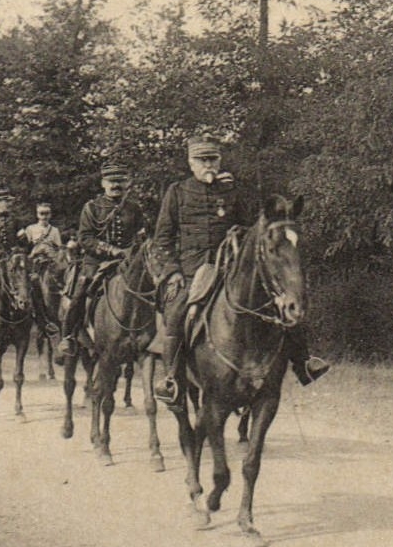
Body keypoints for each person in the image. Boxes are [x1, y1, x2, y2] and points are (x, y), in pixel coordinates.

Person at [151, 135, 328, 405]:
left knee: (281, 303)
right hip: (193, 270)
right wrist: (173, 270)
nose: (208, 164)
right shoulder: (177, 192)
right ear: (190, 163)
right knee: (177, 312)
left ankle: (304, 363)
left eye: (213, 159)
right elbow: (162, 239)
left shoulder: (233, 192)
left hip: (233, 267)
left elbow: (255, 230)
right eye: (202, 160)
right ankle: (172, 379)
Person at [56, 161, 146, 361]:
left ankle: (150, 336)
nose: (116, 186)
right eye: (111, 181)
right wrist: (112, 250)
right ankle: (68, 336)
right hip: (95, 261)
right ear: (103, 183)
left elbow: (140, 236)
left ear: (128, 183)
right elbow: (85, 238)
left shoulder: (134, 208)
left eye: (121, 181)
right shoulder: (92, 208)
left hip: (127, 262)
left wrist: (134, 250)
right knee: (81, 290)